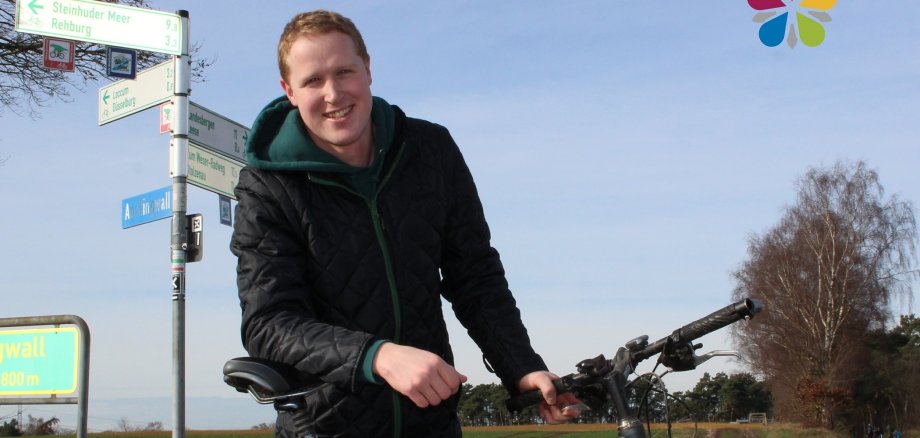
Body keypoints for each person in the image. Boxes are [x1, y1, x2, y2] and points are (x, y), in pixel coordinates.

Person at [230, 9, 578, 437]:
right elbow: (268, 323)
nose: (334, 93)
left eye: (344, 71)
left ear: (368, 70)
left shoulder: (430, 150)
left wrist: (521, 366)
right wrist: (378, 356)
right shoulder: (266, 185)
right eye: (313, 81)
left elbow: (475, 276)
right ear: (289, 91)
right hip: (325, 427)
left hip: (431, 422)